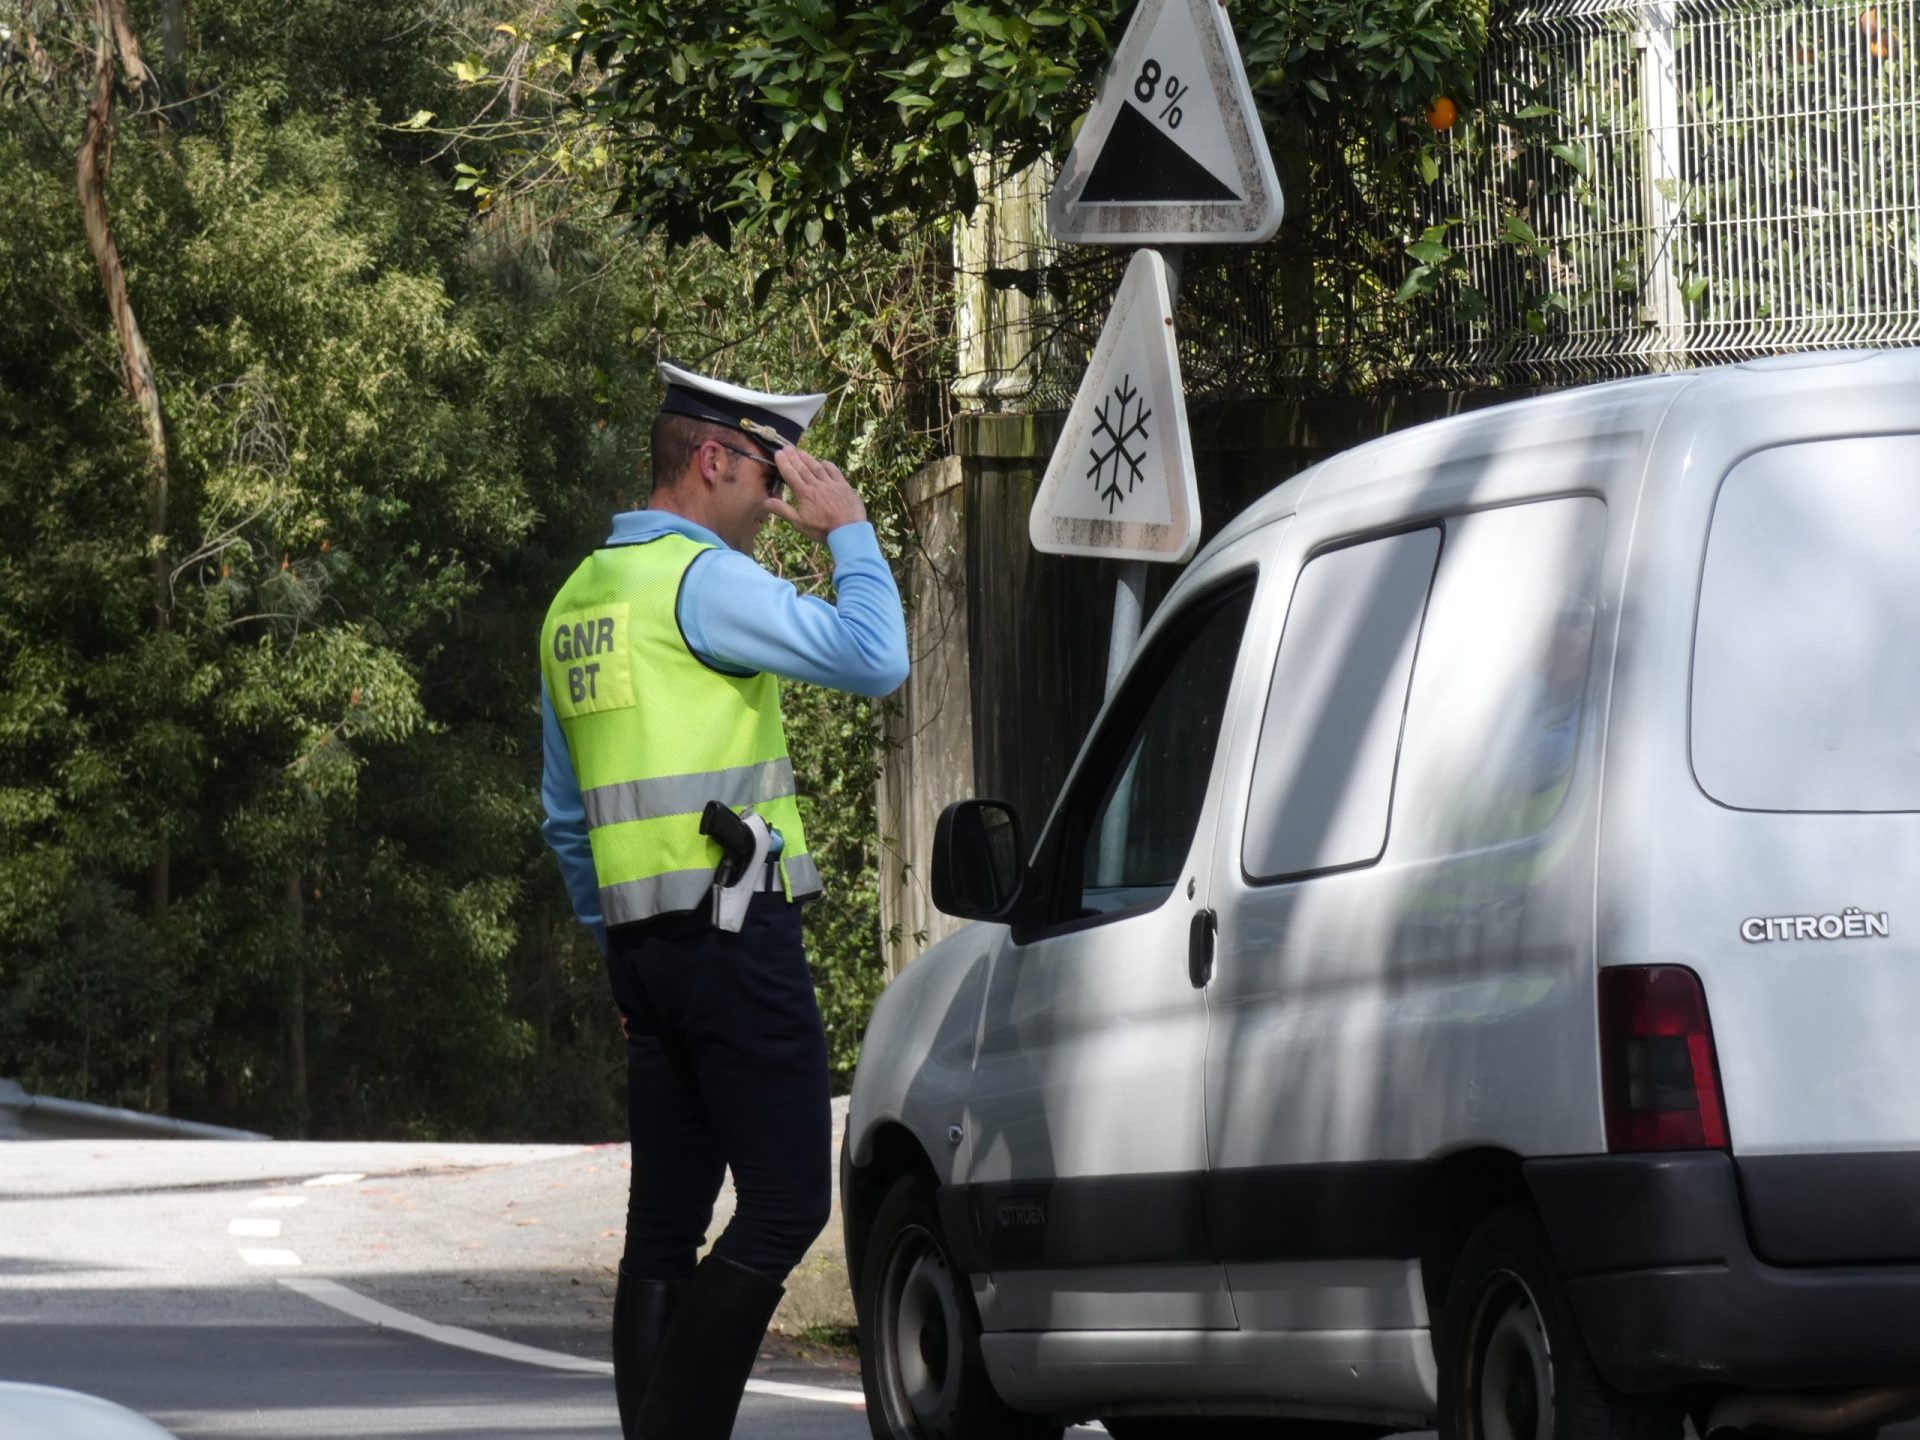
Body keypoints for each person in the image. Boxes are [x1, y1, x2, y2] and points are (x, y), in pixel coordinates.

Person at [538, 362, 909, 1438]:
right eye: (769, 476)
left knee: (663, 1224)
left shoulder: (577, 602)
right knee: (790, 1202)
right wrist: (847, 531)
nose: (777, 503)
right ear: (712, 460)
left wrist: (615, 950)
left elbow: (568, 819)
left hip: (643, 956)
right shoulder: (700, 582)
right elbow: (876, 658)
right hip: (735, 938)